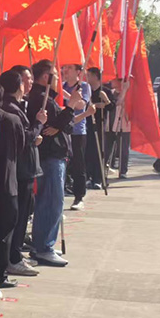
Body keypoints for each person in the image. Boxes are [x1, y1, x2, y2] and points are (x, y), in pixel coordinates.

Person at [27, 59, 84, 267]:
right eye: (56, 75)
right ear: (46, 77)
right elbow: (62, 124)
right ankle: (43, 247)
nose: (59, 78)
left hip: (54, 155)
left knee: (50, 202)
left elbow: (63, 125)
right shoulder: (42, 99)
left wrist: (60, 122)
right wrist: (70, 107)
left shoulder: (47, 98)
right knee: (51, 202)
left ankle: (43, 244)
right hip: (50, 156)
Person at [6, 66, 46, 278]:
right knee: (18, 217)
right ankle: (12, 258)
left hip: (26, 169)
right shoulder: (11, 108)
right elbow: (26, 137)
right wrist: (39, 124)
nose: (29, 83)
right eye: (25, 79)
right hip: (20, 170)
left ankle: (16, 254)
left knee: (23, 214)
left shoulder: (20, 105)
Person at [0, 76, 26, 289]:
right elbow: (21, 147)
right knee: (4, 234)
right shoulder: (13, 120)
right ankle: (0, 274)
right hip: (8, 183)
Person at [62, 65, 96, 211]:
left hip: (77, 131)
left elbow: (81, 105)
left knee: (78, 164)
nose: (66, 70)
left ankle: (79, 197)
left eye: (69, 68)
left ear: (78, 72)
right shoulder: (62, 85)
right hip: (63, 130)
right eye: (65, 68)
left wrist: (66, 95)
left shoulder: (84, 86)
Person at [86, 68, 114, 184]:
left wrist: (106, 101)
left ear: (95, 76)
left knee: (99, 151)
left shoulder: (105, 91)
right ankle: (89, 176)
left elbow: (111, 107)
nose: (87, 78)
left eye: (89, 75)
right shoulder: (86, 91)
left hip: (100, 124)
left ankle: (99, 178)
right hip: (87, 124)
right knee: (88, 151)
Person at [105, 78, 132, 178]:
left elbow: (120, 103)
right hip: (109, 125)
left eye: (114, 80)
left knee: (123, 149)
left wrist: (124, 90)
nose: (111, 81)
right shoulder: (110, 93)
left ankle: (123, 171)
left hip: (123, 125)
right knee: (107, 149)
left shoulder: (128, 94)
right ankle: (105, 168)